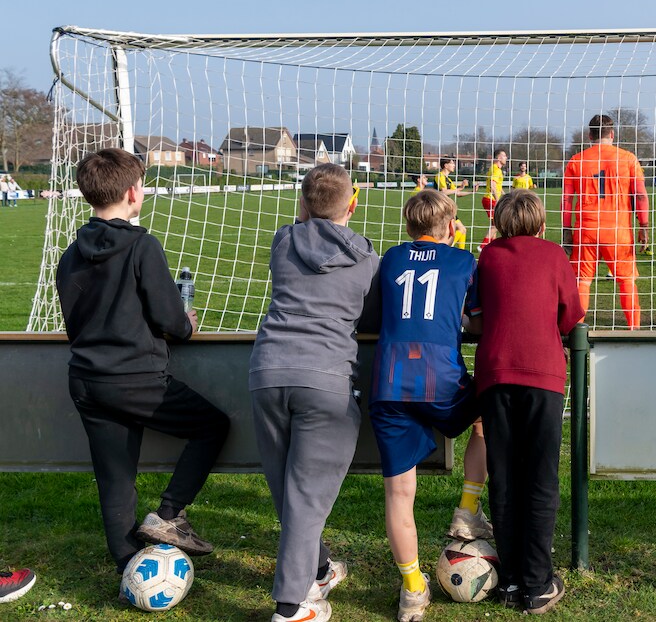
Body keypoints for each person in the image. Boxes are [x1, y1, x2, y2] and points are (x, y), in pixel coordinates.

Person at [55, 148, 230, 577]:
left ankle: (128, 566)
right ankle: (169, 514)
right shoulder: (142, 246)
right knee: (212, 426)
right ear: (133, 193)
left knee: (115, 475)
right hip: (134, 378)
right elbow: (170, 319)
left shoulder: (70, 254)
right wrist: (186, 325)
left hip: (86, 379)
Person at [248, 164, 379, 622]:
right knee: (304, 496)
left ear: (301, 203)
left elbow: (307, 227)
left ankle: (319, 569)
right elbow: (370, 317)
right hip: (325, 379)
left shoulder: (284, 240)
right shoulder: (366, 258)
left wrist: (308, 209)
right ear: (354, 204)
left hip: (268, 372)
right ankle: (290, 607)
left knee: (289, 489)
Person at [368, 189, 491, 622]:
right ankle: (468, 510)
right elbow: (478, 322)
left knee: (399, 494)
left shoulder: (391, 259)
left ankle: (413, 589)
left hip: (390, 382)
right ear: (451, 225)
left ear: (408, 225)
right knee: (487, 415)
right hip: (441, 380)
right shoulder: (463, 261)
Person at [475, 190, 585, 614]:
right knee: (540, 478)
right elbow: (571, 315)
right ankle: (537, 583)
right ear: (542, 224)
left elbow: (478, 311)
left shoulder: (488, 256)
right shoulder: (554, 254)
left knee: (503, 476)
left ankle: (511, 578)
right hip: (542, 374)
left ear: (499, 223)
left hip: (495, 373)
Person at [562, 113, 651, 329]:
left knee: (582, 282)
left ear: (590, 136)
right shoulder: (628, 158)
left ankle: (576, 333)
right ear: (612, 134)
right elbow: (640, 195)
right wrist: (644, 225)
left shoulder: (576, 161)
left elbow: (566, 199)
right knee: (626, 281)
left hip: (587, 230)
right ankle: (634, 330)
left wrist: (566, 230)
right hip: (618, 231)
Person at [434, 158, 475, 249]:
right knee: (459, 229)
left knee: (462, 230)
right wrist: (459, 188)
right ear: (445, 165)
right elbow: (443, 192)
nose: (454, 165)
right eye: (452, 163)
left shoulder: (448, 179)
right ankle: (447, 248)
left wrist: (471, 191)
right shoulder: (440, 176)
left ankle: (460, 252)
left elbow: (457, 193)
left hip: (447, 208)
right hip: (441, 207)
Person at [481, 149, 508, 249]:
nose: (506, 158)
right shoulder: (496, 169)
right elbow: (493, 185)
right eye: (504, 156)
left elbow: (497, 187)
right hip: (490, 199)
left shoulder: (494, 168)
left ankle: (491, 246)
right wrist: (498, 200)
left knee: (494, 223)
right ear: (499, 158)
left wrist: (505, 196)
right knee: (498, 223)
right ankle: (483, 246)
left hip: (489, 199)